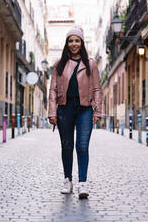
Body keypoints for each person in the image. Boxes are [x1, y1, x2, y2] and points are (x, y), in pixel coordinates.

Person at [48, 26, 102, 199]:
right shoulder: (59, 64)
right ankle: (67, 180)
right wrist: (52, 112)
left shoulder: (90, 64)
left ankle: (83, 183)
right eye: (70, 41)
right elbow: (53, 90)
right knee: (67, 146)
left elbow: (97, 89)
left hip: (85, 109)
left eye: (77, 40)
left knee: (82, 146)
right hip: (65, 109)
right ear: (67, 43)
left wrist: (97, 111)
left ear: (82, 43)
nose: (73, 44)